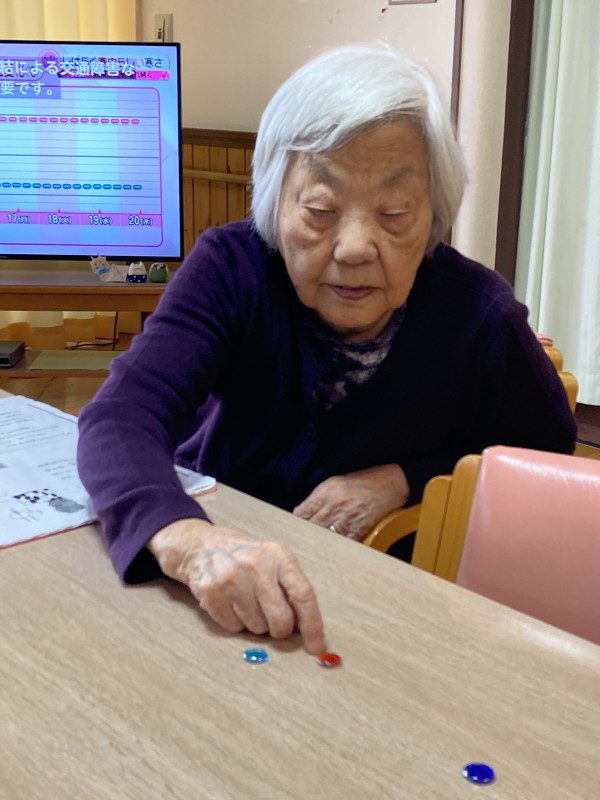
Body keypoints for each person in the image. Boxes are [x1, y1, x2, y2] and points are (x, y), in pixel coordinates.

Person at [77, 42, 577, 655]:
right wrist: (187, 538)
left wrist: (407, 478)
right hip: (213, 575)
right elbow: (120, 417)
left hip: (374, 607)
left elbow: (544, 453)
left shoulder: (480, 314)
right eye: (320, 209)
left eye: (395, 213)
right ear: (275, 201)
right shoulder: (230, 268)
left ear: (435, 216)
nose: (355, 247)